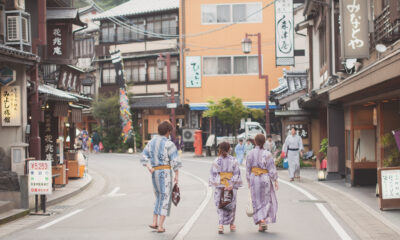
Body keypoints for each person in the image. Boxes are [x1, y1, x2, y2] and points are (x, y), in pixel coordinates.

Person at [141, 121, 182, 233]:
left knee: (158, 197)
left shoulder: (151, 142)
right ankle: (160, 226)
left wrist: (149, 167)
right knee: (165, 198)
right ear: (168, 131)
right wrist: (176, 175)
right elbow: (175, 161)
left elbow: (143, 156)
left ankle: (154, 221)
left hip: (154, 173)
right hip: (165, 172)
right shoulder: (169, 144)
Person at [246, 134, 278, 232]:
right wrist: (275, 180)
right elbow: (271, 168)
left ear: (255, 142)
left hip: (254, 178)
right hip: (265, 179)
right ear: (264, 142)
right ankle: (263, 220)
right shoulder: (267, 154)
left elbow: (248, 168)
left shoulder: (250, 153)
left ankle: (261, 222)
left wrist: (248, 180)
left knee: (256, 201)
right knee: (266, 200)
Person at [209, 142, 242, 234]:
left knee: (220, 205)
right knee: (232, 205)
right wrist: (232, 184)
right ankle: (231, 224)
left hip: (220, 185)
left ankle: (221, 225)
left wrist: (217, 183)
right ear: (229, 149)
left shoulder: (216, 161)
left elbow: (213, 174)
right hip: (231, 185)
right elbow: (237, 173)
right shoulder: (233, 160)